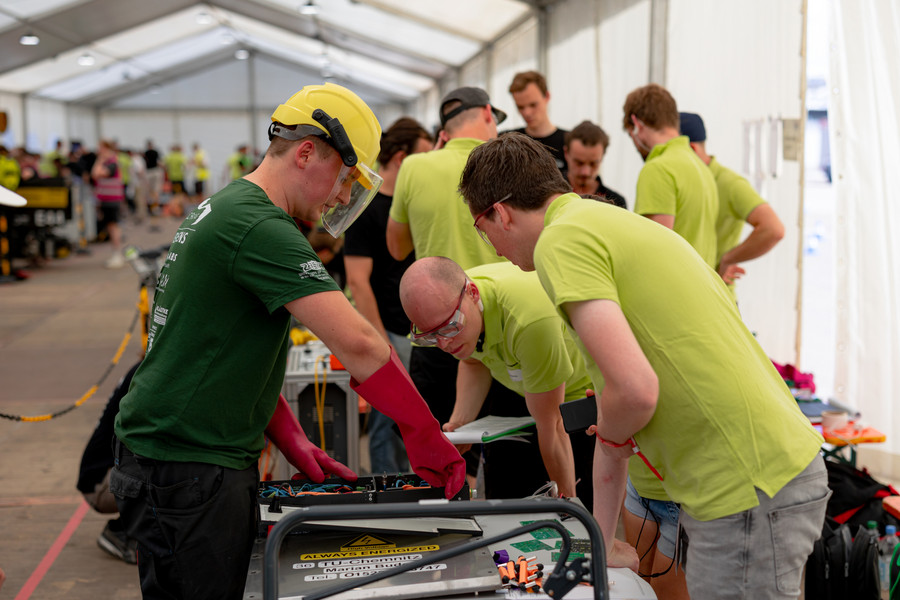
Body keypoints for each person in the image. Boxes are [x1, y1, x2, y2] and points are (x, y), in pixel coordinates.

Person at [110, 82, 465, 600]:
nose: (342, 197)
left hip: (177, 458)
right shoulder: (258, 225)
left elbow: (222, 349)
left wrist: (292, 438)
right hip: (186, 466)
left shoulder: (231, 207)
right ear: (305, 153)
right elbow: (361, 345)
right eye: (345, 180)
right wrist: (426, 436)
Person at [458, 132, 830, 598]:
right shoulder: (604, 220)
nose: (492, 249)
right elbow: (623, 396)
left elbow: (633, 392)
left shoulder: (561, 241)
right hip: (762, 471)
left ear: (501, 213)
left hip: (746, 484)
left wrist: (615, 428)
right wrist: (601, 539)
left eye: (481, 229)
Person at [386, 87, 511, 493]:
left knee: (443, 449)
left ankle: (449, 517)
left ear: (443, 131)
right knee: (505, 453)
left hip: (436, 331)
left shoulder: (415, 167)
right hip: (501, 327)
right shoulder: (504, 164)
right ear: (488, 114)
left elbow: (396, 247)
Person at [399, 257, 597, 507]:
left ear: (473, 294)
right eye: (430, 336)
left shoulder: (529, 321)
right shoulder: (452, 306)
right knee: (503, 498)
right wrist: (461, 423)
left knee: (575, 506)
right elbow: (474, 361)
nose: (444, 344)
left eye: (449, 328)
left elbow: (553, 426)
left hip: (575, 394)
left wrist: (568, 506)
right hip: (517, 384)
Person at [344, 117, 432, 474]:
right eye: (423, 155)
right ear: (400, 158)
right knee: (387, 420)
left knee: (415, 420)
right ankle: (389, 492)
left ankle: (415, 485)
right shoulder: (366, 207)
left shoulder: (413, 203)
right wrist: (381, 341)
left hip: (421, 332)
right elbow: (357, 281)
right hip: (391, 331)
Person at [679, 112, 785, 286]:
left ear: (692, 149)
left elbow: (773, 229)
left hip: (715, 293)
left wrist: (728, 259)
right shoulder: (683, 181)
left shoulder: (728, 183)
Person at [623, 84, 719, 268]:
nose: (635, 144)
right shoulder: (701, 167)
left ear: (636, 125)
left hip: (672, 284)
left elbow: (654, 251)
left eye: (630, 135)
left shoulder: (658, 169)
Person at [78, 361, 142, 564]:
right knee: (165, 464)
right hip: (100, 481)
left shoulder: (148, 366)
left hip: (107, 471)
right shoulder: (147, 373)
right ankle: (121, 532)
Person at [507, 70, 568, 172]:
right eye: (520, 107)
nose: (527, 113)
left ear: (547, 96)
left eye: (533, 105)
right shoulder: (508, 142)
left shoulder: (569, 142)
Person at [564, 120, 627, 209]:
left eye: (593, 164)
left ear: (602, 156)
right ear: (566, 153)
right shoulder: (550, 193)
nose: (585, 172)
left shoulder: (617, 202)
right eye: (579, 163)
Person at [91, 139, 126, 268]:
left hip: (112, 200)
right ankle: (116, 254)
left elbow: (96, 174)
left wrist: (99, 160)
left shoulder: (111, 163)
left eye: (100, 148)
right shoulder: (111, 161)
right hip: (107, 199)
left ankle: (117, 254)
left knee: (113, 226)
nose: (98, 150)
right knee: (111, 226)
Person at [162, 143, 187, 216]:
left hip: (172, 177)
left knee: (174, 194)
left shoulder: (169, 157)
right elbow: (185, 165)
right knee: (180, 194)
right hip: (180, 177)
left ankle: (174, 210)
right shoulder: (180, 156)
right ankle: (179, 210)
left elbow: (163, 165)